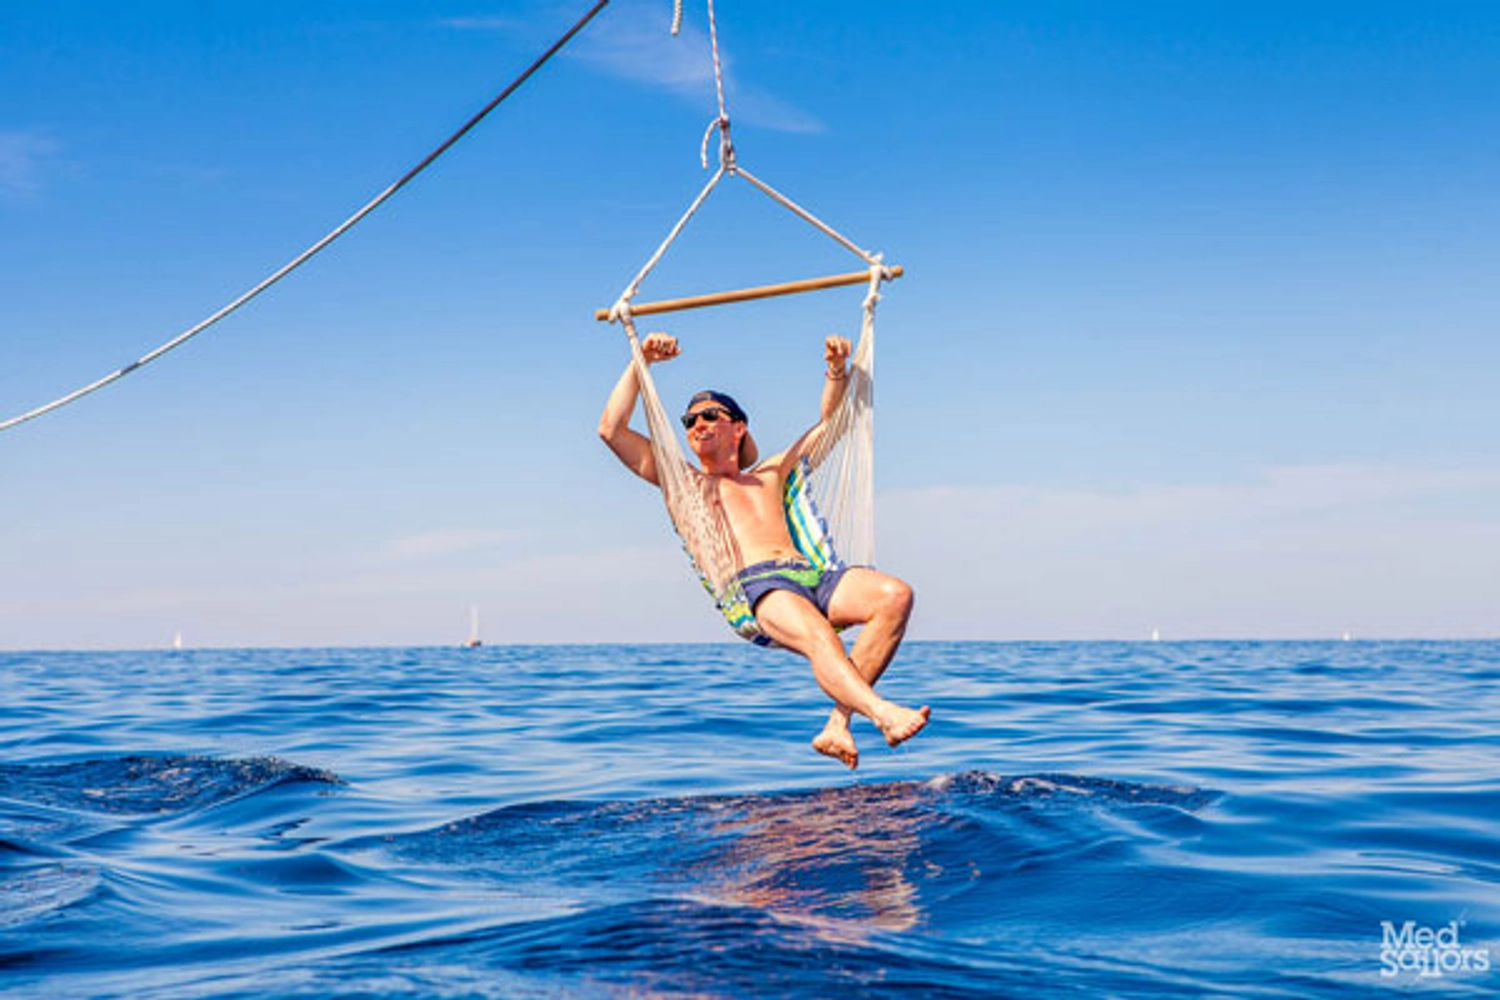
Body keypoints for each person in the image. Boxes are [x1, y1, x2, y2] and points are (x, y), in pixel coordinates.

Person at [598, 331, 929, 769]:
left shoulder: (771, 472)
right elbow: (611, 429)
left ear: (738, 428)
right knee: (818, 635)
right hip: (757, 588)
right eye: (690, 420)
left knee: (895, 596)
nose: (697, 425)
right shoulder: (685, 485)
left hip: (814, 575)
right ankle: (883, 713)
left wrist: (835, 371)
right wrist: (642, 361)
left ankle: (837, 725)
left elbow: (832, 427)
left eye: (710, 416)